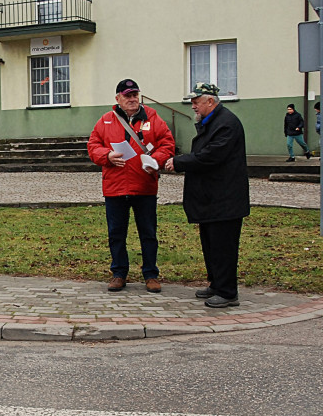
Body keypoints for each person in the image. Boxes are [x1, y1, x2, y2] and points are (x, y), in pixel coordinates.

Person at [163, 83, 249, 308]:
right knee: (211, 245)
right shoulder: (211, 122)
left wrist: (179, 161)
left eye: (196, 102)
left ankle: (228, 292)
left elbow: (211, 156)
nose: (193, 106)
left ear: (210, 101)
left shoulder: (226, 124)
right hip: (212, 199)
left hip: (225, 200)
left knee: (223, 247)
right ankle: (217, 283)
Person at [87, 78, 176, 293]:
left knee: (148, 233)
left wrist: (155, 160)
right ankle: (118, 273)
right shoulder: (106, 120)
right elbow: (92, 146)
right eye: (127, 95)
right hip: (115, 187)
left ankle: (151, 274)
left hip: (144, 186)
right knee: (116, 233)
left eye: (135, 94)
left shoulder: (153, 118)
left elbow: (167, 143)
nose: (132, 99)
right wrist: (107, 155)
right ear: (118, 98)